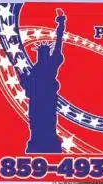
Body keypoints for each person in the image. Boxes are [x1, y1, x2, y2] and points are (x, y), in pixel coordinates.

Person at [18, 9, 67, 155]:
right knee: (36, 125)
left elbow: (58, 44)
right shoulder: (36, 70)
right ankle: (40, 144)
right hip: (37, 104)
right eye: (41, 51)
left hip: (47, 103)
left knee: (47, 124)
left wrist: (61, 24)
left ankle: (47, 144)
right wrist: (22, 77)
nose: (43, 53)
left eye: (45, 50)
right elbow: (27, 85)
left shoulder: (51, 64)